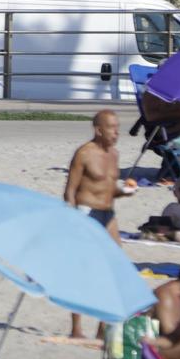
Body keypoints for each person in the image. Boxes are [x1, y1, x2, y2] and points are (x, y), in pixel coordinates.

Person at [60, 109, 129, 340]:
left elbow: (110, 190)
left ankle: (102, 327)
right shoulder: (84, 154)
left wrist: (124, 191)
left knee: (113, 269)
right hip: (86, 212)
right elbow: (70, 190)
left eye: (117, 127)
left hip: (108, 214)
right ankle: (76, 327)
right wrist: (73, 218)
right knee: (84, 271)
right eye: (111, 127)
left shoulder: (115, 154)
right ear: (99, 130)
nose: (116, 132)